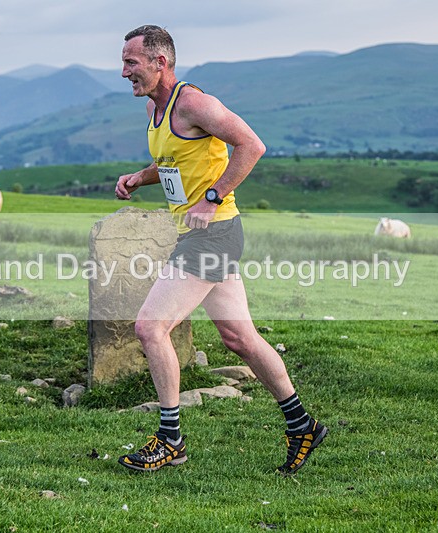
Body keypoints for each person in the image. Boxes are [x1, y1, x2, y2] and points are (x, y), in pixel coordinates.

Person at [115, 25, 326, 475]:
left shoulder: (194, 103)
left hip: (213, 234)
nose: (124, 72)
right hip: (204, 236)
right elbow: (173, 162)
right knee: (239, 339)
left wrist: (212, 198)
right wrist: (139, 177)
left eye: (131, 62)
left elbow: (252, 145)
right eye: (124, 62)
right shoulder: (157, 111)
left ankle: (170, 439)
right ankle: (302, 424)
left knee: (150, 328)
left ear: (160, 63)